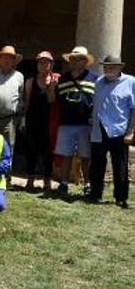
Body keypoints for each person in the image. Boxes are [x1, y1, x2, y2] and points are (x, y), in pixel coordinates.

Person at [49, 46, 98, 197]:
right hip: (66, 123)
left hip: (86, 124)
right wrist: (51, 87)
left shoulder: (95, 79)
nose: (74, 61)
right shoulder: (62, 79)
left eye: (78, 59)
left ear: (85, 61)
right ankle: (64, 183)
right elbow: (52, 100)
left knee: (86, 156)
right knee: (66, 155)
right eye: (72, 59)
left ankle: (88, 184)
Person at [88, 56, 135, 208]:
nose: (108, 70)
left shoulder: (130, 82)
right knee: (97, 164)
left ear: (120, 68)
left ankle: (121, 198)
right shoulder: (99, 82)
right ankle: (95, 194)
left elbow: (134, 109)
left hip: (119, 130)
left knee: (120, 165)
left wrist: (131, 132)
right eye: (106, 67)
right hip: (99, 129)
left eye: (112, 67)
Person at [23, 51, 60, 192]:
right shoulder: (30, 81)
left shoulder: (56, 80)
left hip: (49, 121)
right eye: (40, 62)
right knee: (31, 150)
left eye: (46, 62)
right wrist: (23, 120)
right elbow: (27, 103)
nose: (43, 65)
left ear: (51, 64)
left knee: (47, 151)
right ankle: (30, 180)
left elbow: (51, 100)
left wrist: (51, 87)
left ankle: (47, 182)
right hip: (32, 119)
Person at [0, 45, 24, 186]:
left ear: (14, 61)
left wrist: (20, 118)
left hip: (10, 118)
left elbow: (21, 98)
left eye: (10, 58)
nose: (7, 60)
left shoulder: (19, 76)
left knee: (8, 147)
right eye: (4, 57)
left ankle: (6, 176)